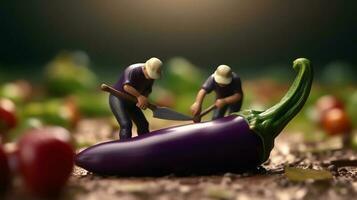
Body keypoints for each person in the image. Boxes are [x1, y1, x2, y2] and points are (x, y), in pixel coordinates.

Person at [110, 57, 162, 139]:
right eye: (148, 74)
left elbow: (147, 89)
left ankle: (144, 142)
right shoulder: (132, 70)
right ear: (145, 67)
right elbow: (126, 87)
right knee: (126, 124)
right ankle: (124, 145)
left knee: (143, 124)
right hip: (118, 98)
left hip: (132, 101)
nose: (149, 77)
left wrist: (144, 99)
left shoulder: (151, 76)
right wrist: (139, 96)